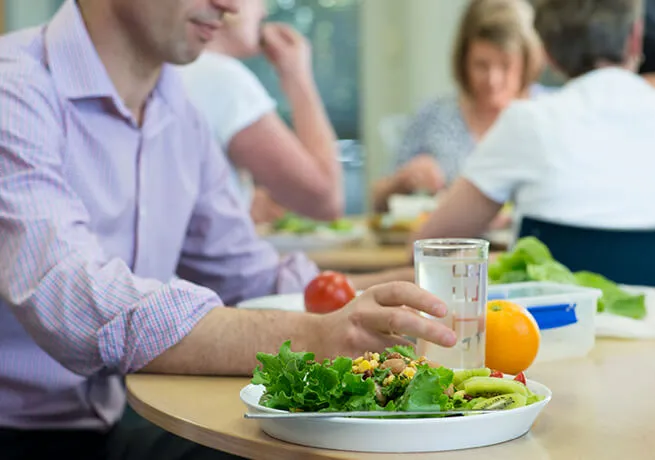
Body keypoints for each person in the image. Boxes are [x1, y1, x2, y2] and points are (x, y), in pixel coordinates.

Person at [0, 1, 456, 459]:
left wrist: (410, 284)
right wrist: (317, 337)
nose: (231, 6)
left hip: (111, 419)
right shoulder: (14, 88)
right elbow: (73, 303)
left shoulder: (176, 109)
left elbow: (252, 278)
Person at [414, 0, 655, 243]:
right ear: (635, 38)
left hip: (568, 322)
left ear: (546, 53)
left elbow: (430, 243)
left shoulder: (526, 121)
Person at [371, 0, 544, 213]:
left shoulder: (548, 114)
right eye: (481, 65)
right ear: (463, 61)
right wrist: (403, 181)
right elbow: (376, 201)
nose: (493, 79)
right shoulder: (435, 116)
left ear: (526, 63)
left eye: (505, 65)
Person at [179, 0, 342, 223]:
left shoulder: (174, 72)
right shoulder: (222, 78)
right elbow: (325, 201)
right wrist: (298, 78)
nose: (263, 11)